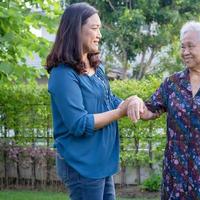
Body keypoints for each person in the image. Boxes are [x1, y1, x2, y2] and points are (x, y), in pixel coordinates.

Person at [128, 21, 200, 200]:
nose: (185, 52)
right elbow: (149, 111)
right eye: (182, 47)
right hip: (177, 172)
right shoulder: (172, 84)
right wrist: (134, 100)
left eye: (190, 46)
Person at [46, 3, 143, 200]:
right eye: (94, 28)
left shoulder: (95, 67)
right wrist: (120, 111)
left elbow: (109, 99)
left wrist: (132, 102)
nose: (99, 35)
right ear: (76, 29)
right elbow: (78, 123)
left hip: (100, 161)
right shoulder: (63, 74)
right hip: (81, 163)